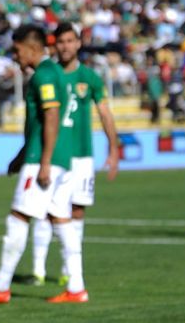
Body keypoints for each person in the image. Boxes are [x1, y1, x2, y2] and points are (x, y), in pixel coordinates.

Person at [0, 25, 87, 304]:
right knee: (61, 220)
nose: (15, 56)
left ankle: (0, 285)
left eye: (17, 50)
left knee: (18, 216)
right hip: (60, 157)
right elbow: (41, 124)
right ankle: (77, 288)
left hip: (45, 160)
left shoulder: (44, 75)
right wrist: (21, 157)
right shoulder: (55, 73)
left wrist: (42, 162)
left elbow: (52, 116)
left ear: (32, 48)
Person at [30, 23, 120, 286]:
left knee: (77, 211)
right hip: (55, 153)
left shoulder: (90, 78)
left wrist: (114, 148)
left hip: (81, 155)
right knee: (45, 209)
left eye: (70, 41)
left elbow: (104, 112)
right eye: (61, 41)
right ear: (54, 45)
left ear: (78, 43)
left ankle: (69, 269)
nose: (66, 46)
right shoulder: (49, 74)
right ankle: (37, 268)